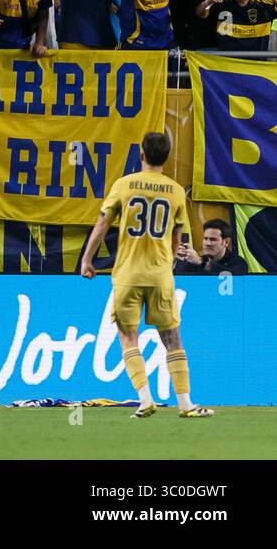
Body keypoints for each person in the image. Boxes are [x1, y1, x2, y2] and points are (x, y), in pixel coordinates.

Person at [80, 131, 214, 418]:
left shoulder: (124, 186)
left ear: (141, 154)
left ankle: (144, 399)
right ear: (166, 157)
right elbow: (178, 238)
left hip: (127, 274)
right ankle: (186, 404)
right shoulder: (176, 191)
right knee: (172, 339)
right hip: (159, 274)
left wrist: (87, 260)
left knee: (129, 338)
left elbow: (103, 223)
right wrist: (169, 264)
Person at [173, 219, 251, 276]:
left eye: (213, 239)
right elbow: (179, 284)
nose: (208, 243)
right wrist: (174, 261)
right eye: (205, 238)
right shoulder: (195, 264)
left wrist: (201, 263)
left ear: (226, 242)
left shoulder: (238, 263)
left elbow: (232, 278)